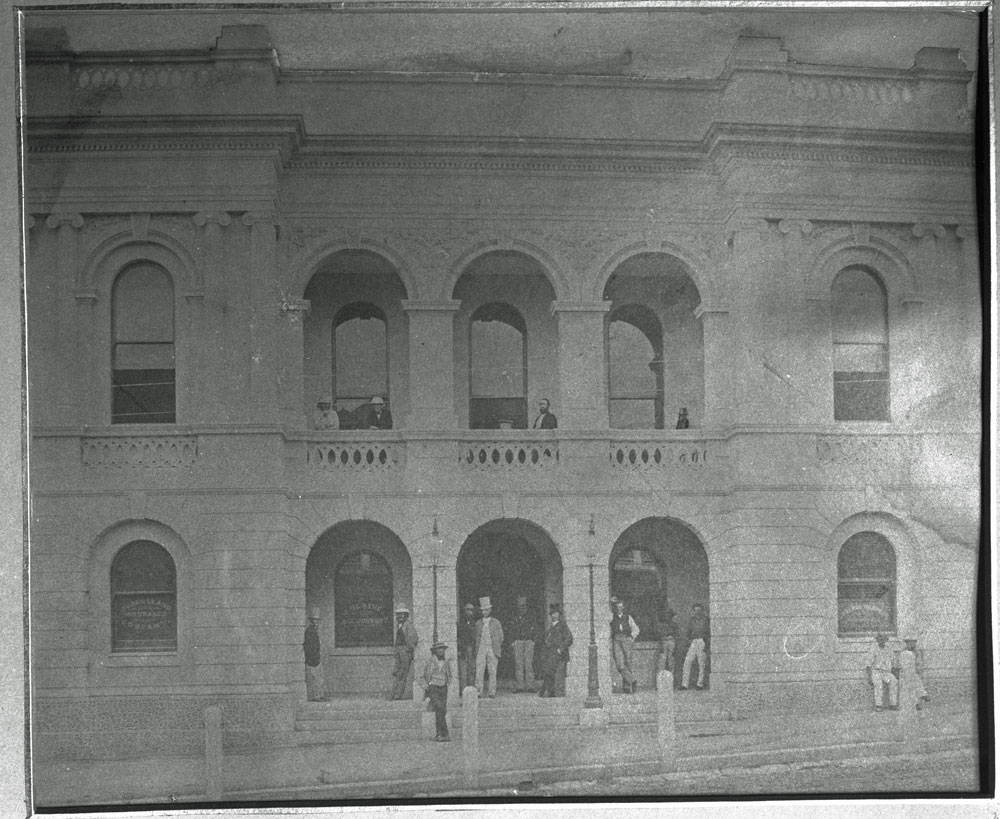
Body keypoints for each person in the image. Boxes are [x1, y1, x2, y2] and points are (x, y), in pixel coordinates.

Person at [539, 604, 573, 697]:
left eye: (555, 613)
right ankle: (549, 692)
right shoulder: (551, 627)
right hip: (550, 654)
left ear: (559, 614)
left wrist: (561, 649)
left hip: (559, 654)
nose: (553, 615)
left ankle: (556, 693)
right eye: (552, 614)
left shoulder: (562, 625)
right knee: (549, 673)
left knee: (558, 675)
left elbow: (569, 638)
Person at [421, 641, 452, 742]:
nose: (441, 651)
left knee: (442, 710)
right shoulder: (430, 662)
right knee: (439, 707)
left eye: (442, 649)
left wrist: (448, 682)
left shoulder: (446, 661)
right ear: (435, 651)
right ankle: (445, 733)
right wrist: (426, 686)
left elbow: (449, 674)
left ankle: (440, 734)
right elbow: (421, 677)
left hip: (443, 687)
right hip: (433, 687)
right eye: (439, 649)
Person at [474, 596, 504, 698]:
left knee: (492, 671)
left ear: (490, 610)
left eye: (487, 610)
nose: (485, 612)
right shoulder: (478, 623)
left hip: (492, 648)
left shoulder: (496, 622)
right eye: (483, 610)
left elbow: (501, 636)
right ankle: (478, 691)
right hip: (481, 648)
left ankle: (492, 692)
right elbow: (476, 637)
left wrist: (495, 645)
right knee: (479, 670)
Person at [508, 596, 539, 693]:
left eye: (524, 607)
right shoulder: (515, 618)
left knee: (529, 664)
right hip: (518, 642)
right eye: (521, 607)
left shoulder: (531, 617)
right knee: (519, 664)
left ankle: (530, 686)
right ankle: (519, 686)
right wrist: (513, 642)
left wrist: (533, 641)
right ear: (517, 607)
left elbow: (536, 630)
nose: (523, 609)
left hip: (529, 642)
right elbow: (511, 630)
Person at [610, 597, 640, 694]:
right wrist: (610, 602)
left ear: (623, 608)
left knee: (628, 663)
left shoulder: (628, 617)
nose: (619, 609)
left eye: (621, 607)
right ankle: (633, 680)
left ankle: (627, 687)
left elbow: (636, 629)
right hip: (616, 640)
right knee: (620, 664)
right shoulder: (611, 617)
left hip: (626, 640)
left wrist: (631, 637)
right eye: (617, 607)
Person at [391, 605, 419, 700]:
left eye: (401, 614)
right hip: (398, 651)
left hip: (404, 652)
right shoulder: (399, 625)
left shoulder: (408, 625)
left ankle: (398, 695)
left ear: (406, 615)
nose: (399, 616)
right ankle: (394, 693)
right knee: (397, 672)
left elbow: (413, 639)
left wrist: (407, 650)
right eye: (398, 614)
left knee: (402, 674)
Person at [865, 633, 899, 712]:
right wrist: (869, 677)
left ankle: (893, 704)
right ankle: (878, 705)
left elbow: (893, 662)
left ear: (886, 640)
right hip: (876, 671)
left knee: (894, 681)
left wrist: (895, 674)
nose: (881, 641)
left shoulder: (889, 649)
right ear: (877, 640)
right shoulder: (873, 649)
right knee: (878, 684)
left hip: (886, 672)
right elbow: (868, 665)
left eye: (883, 639)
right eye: (880, 640)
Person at [681, 602, 710, 690]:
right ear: (693, 611)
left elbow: (708, 633)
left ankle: (700, 684)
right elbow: (688, 632)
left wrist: (706, 644)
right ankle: (684, 684)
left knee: (701, 663)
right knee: (687, 662)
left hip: (702, 640)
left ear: (702, 611)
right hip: (694, 641)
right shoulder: (692, 620)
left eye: (699, 610)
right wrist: (689, 641)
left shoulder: (705, 620)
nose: (698, 612)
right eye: (696, 610)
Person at [898, 637, 931, 710]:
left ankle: (918, 701)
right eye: (909, 642)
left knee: (914, 681)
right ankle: (922, 695)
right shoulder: (903, 652)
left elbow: (920, 664)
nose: (912, 644)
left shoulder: (917, 652)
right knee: (913, 681)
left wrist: (918, 669)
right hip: (905, 673)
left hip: (914, 672)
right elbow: (902, 665)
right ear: (906, 643)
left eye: (913, 642)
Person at [303, 610, 326, 701]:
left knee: (319, 678)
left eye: (318, 620)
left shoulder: (314, 631)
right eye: (315, 620)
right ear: (311, 621)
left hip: (316, 657)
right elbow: (309, 646)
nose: (317, 622)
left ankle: (319, 695)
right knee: (315, 678)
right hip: (313, 658)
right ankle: (316, 696)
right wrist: (312, 657)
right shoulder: (310, 631)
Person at [456, 602, 478, 694]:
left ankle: (471, 690)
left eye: (471, 610)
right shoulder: (460, 623)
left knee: (471, 670)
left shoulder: (475, 623)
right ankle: (463, 690)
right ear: (464, 611)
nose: (469, 612)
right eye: (467, 610)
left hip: (471, 649)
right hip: (463, 648)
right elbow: (458, 637)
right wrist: (460, 649)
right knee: (463, 671)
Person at [658, 606, 678, 682]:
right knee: (662, 662)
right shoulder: (662, 625)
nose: (667, 616)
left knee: (671, 661)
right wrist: (661, 645)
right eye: (666, 615)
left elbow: (676, 635)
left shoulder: (674, 624)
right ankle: (659, 681)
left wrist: (675, 646)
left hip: (671, 641)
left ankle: (671, 682)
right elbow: (660, 635)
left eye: (669, 615)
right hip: (664, 641)